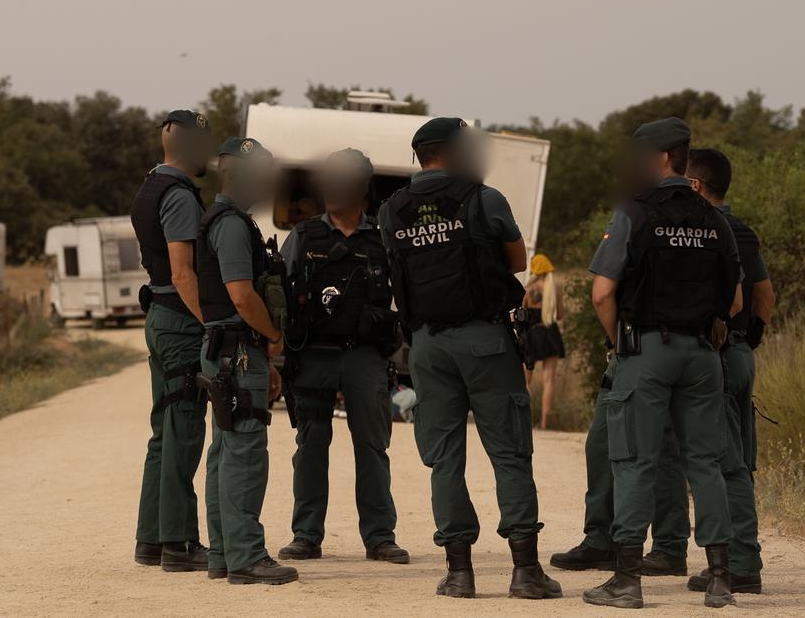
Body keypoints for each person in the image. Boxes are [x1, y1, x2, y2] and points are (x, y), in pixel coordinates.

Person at [379, 117, 561, 601]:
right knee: (509, 454)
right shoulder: (485, 198)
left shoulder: (391, 210)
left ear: (419, 155)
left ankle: (459, 573)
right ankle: (525, 572)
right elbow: (517, 261)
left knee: (445, 461)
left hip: (428, 347)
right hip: (485, 340)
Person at [582, 117, 743, 610]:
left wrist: (619, 345)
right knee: (706, 464)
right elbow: (735, 303)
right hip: (702, 354)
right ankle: (719, 577)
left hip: (646, 350)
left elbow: (602, 292)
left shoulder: (634, 212)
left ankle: (627, 581)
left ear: (657, 158)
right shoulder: (715, 218)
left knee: (634, 461)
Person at [648, 148, 776, 594]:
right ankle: (730, 556)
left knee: (725, 464)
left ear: (697, 185)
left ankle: (741, 563)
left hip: (713, 355)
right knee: (735, 460)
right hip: (741, 355)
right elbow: (764, 296)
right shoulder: (742, 230)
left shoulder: (701, 224)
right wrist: (750, 335)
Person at [276, 148, 408, 565]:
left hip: (365, 357)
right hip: (313, 355)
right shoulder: (304, 235)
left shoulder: (383, 238)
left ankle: (380, 537)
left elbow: (406, 295)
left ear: (361, 187)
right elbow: (278, 293)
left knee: (372, 447)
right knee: (311, 447)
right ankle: (306, 535)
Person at [196, 136, 297, 585]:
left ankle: (224, 553)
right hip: (238, 350)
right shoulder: (232, 224)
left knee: (225, 452)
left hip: (228, 348)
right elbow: (242, 294)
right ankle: (246, 557)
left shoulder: (223, 219)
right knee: (244, 454)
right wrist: (273, 338)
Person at [128, 109, 215, 572]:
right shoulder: (180, 195)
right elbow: (183, 272)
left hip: (160, 314)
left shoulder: (149, 186)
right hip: (181, 321)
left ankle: (152, 539)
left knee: (164, 431)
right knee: (183, 431)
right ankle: (179, 545)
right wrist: (213, 324)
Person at [523, 253, 567, 428]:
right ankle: (544, 423)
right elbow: (561, 315)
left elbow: (522, 315)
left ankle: (524, 419)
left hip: (531, 335)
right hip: (550, 333)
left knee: (525, 381)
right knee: (549, 381)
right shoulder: (555, 288)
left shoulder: (528, 290)